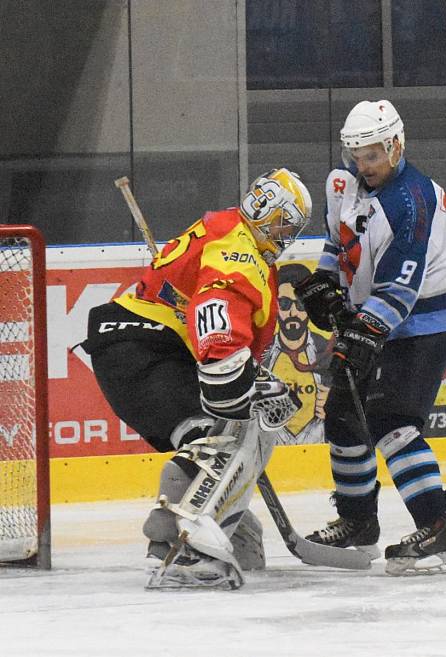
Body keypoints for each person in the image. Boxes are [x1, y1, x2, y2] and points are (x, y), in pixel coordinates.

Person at [81, 168, 312, 590]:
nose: (285, 234)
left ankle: (212, 529)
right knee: (236, 433)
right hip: (147, 347)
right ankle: (185, 541)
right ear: (265, 211)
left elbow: (194, 298)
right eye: (284, 222)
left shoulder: (225, 227)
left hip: (134, 346)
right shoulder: (239, 253)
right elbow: (216, 308)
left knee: (210, 432)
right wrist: (236, 374)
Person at [293, 99, 446, 576]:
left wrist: (361, 330)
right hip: (375, 319)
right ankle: (357, 523)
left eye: (372, 155)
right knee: (345, 420)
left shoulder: (412, 200)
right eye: (356, 155)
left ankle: (438, 527)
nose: (362, 166)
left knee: (392, 420)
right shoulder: (342, 185)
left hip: (423, 328)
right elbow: (338, 242)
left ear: (395, 145)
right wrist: (327, 283)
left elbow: (400, 288)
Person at [261, 262, 332, 445]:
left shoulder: (329, 350)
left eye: (300, 304)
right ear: (274, 304)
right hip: (270, 444)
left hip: (320, 447)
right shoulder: (258, 351)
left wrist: (335, 405)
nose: (293, 312)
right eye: (284, 304)